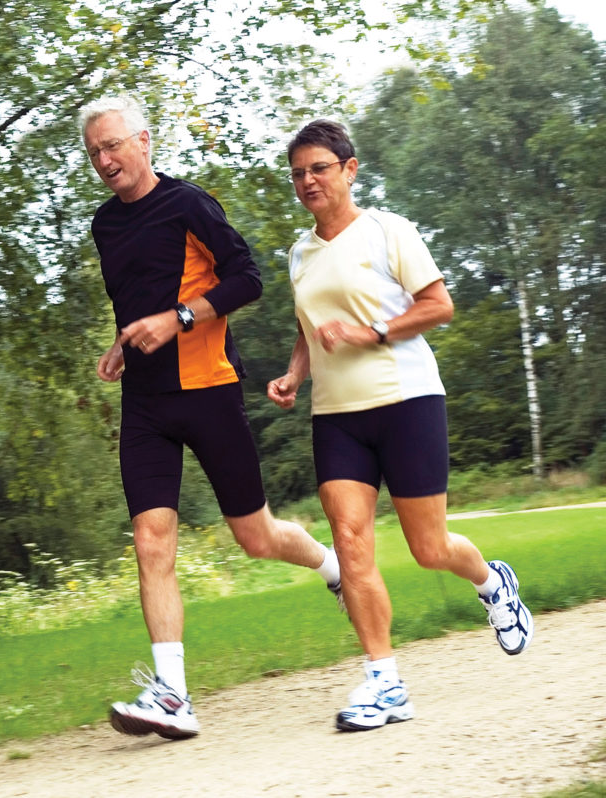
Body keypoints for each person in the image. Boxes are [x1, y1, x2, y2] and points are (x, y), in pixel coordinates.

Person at [79, 95, 343, 741]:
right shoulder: (104, 225)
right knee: (151, 540)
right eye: (94, 153)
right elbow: (137, 300)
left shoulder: (190, 204)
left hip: (207, 390)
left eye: (113, 145)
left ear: (144, 140)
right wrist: (122, 341)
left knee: (255, 538)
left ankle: (328, 563)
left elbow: (246, 279)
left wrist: (179, 319)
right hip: (144, 404)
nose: (105, 159)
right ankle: (172, 695)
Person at [266, 119, 534, 732]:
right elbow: (311, 326)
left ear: (349, 169)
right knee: (352, 545)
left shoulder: (389, 231)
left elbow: (439, 304)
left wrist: (374, 332)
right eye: (299, 172)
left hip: (407, 401)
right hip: (336, 417)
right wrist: (294, 373)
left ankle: (493, 582)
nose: (308, 180)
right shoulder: (300, 253)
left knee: (428, 547)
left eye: (319, 168)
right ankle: (385, 683)